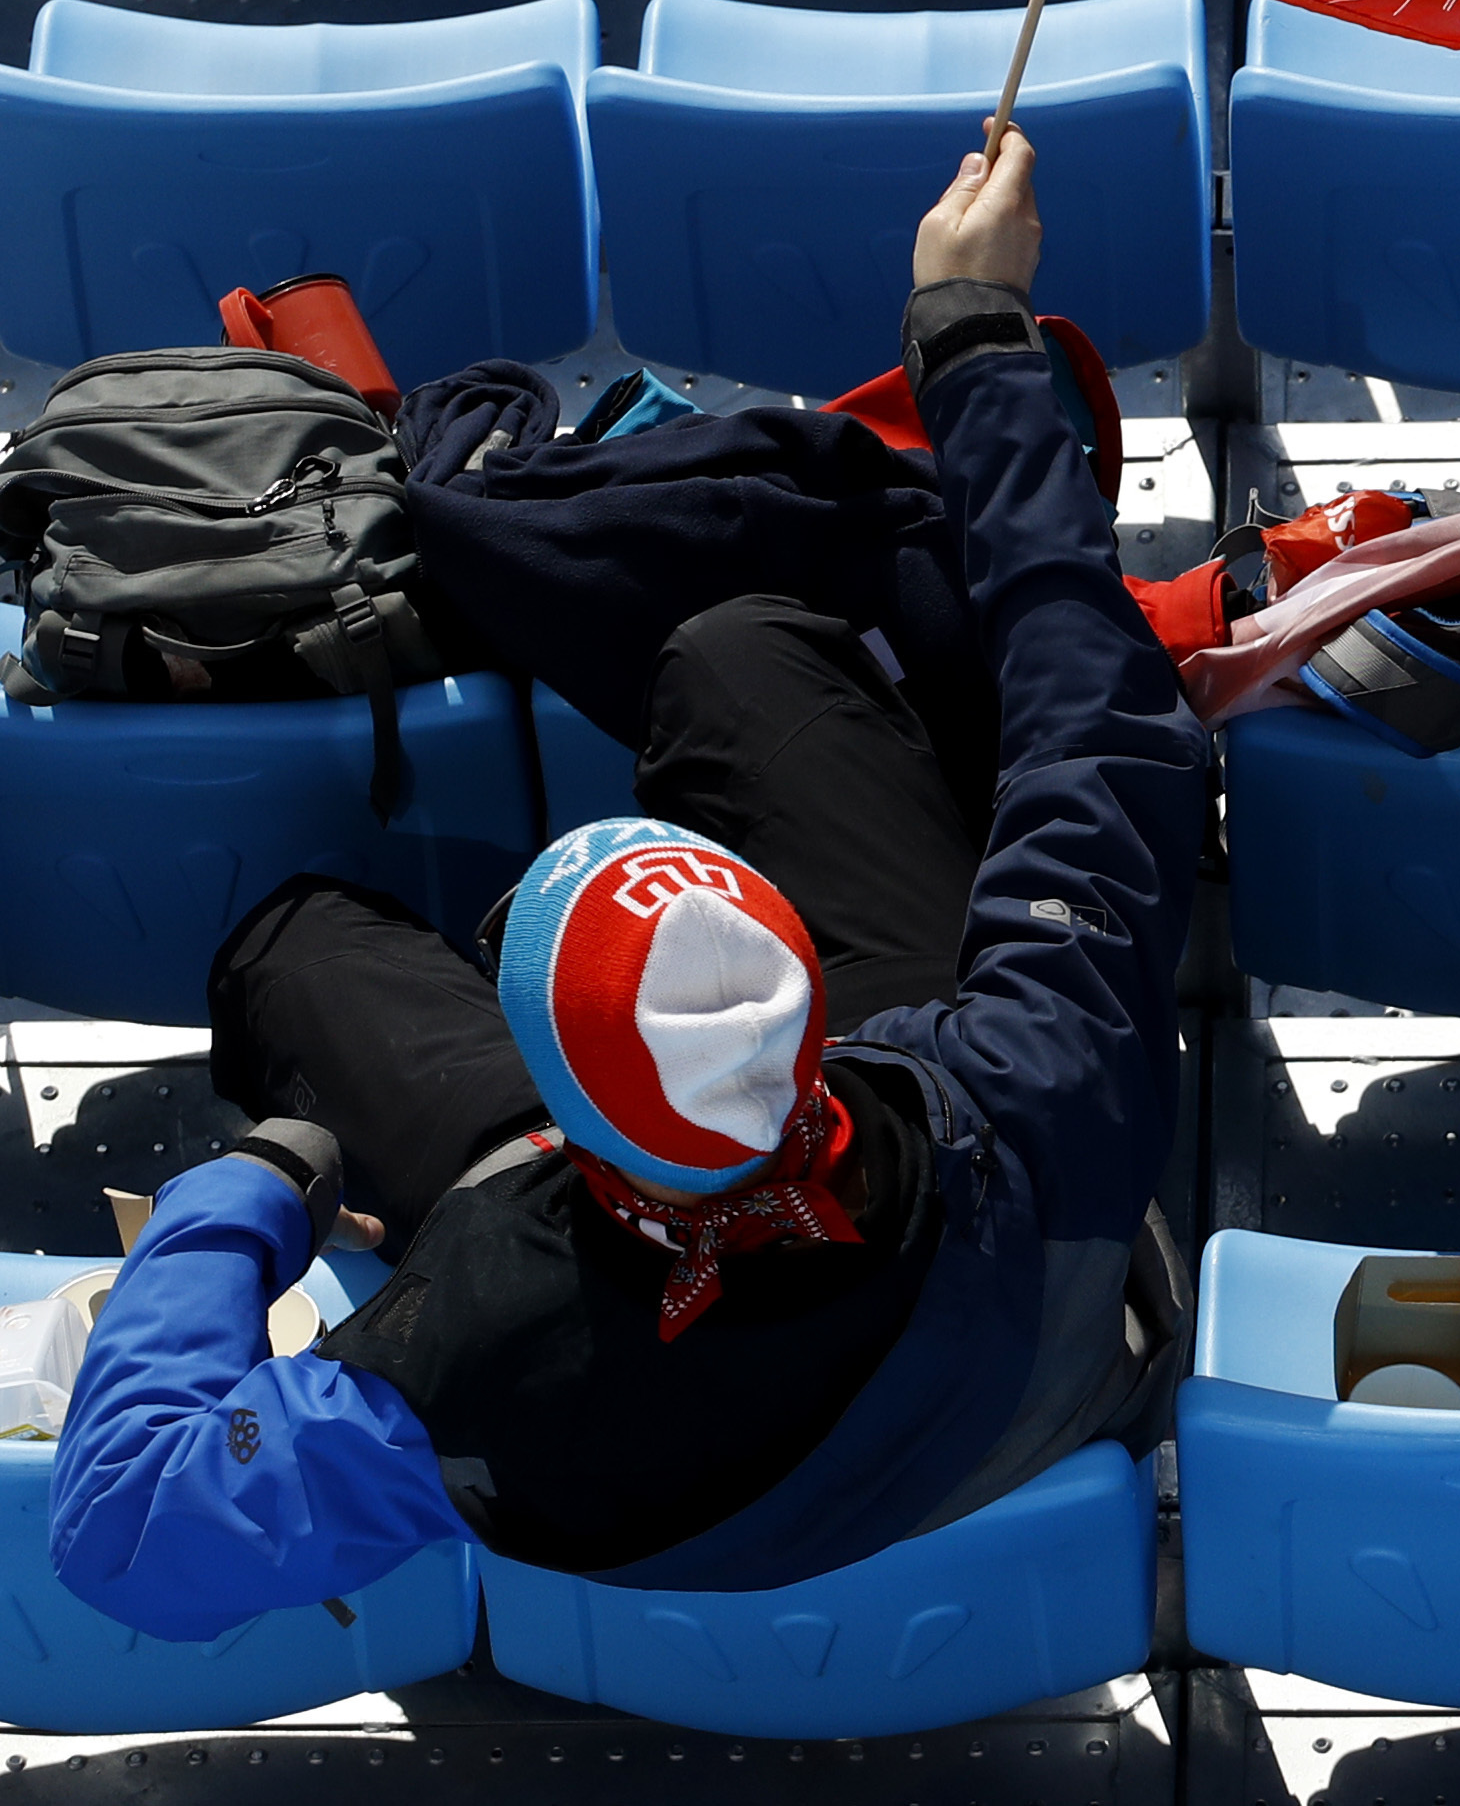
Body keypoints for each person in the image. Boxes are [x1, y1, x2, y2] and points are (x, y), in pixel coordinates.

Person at [49, 133, 1210, 1629]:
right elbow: (1096, 708)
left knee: (297, 945)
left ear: (552, 1113)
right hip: (1034, 1365)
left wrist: (253, 1186)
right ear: (798, 989)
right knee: (739, 652)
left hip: (666, 1439)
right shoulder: (1040, 1069)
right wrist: (975, 329)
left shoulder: (475, 1338)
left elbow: (125, 1533)